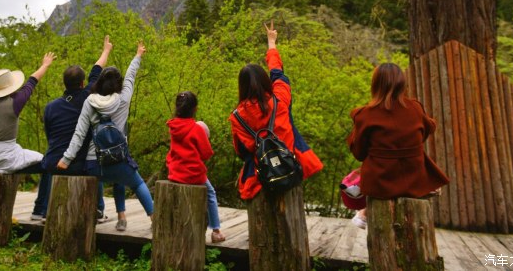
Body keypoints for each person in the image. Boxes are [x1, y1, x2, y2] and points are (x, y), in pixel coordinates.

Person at [57, 41, 153, 232]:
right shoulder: (124, 99)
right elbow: (131, 76)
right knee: (137, 183)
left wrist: (66, 159)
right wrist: (138, 55)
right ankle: (155, 219)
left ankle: (106, 217)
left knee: (98, 179)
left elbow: (80, 133)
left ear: (99, 82)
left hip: (95, 164)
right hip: (118, 159)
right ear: (118, 84)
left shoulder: (89, 102)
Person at [346, 63, 449, 228]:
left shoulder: (364, 115)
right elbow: (429, 129)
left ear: (376, 84)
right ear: (402, 83)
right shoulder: (415, 108)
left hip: (380, 183)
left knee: (360, 176)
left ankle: (363, 213)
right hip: (416, 180)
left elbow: (359, 153)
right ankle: (363, 214)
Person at [229, 21, 323, 201]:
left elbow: (241, 151)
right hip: (291, 168)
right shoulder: (280, 99)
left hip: (260, 178)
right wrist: (271, 43)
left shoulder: (237, 117)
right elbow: (277, 73)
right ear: (265, 81)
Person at [31, 36, 113, 221]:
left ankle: (40, 210)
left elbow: (49, 134)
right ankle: (98, 210)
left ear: (64, 84)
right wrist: (106, 50)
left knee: (49, 157)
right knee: (94, 159)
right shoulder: (87, 97)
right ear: (83, 84)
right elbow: (97, 70)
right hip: (77, 163)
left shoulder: (50, 107)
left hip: (54, 162)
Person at [0, 52, 56, 187]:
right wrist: (45, 65)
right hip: (6, 158)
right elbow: (32, 81)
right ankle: (40, 208)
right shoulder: (15, 103)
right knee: (47, 163)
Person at [166, 91, 225, 243]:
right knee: (210, 193)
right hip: (193, 174)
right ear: (195, 109)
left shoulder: (173, 127)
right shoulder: (197, 129)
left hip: (175, 173)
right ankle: (216, 231)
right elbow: (206, 154)